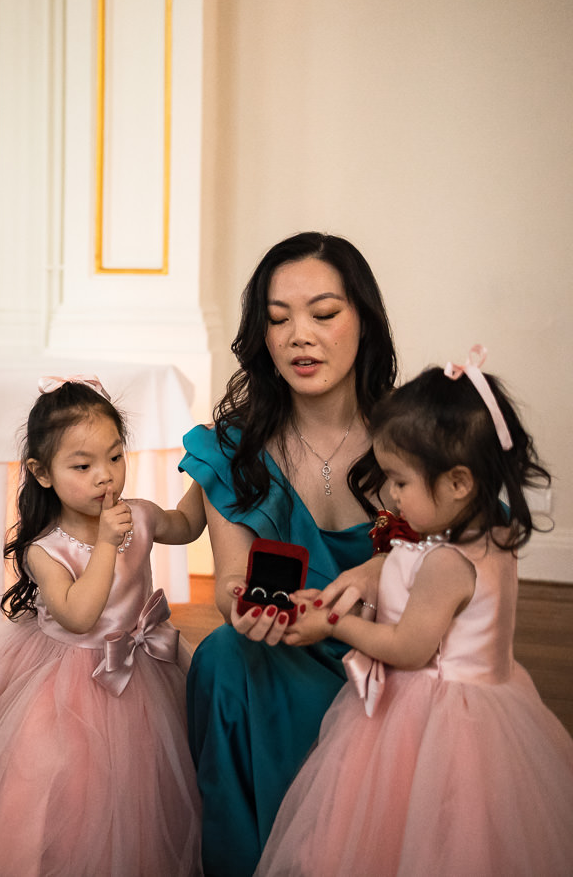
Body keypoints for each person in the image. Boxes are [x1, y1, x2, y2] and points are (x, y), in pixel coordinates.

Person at [258, 349, 573, 875]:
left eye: (400, 481)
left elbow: (409, 647)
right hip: (480, 699)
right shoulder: (483, 538)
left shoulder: (448, 564)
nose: (391, 495)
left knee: (430, 833)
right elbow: (403, 586)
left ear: (457, 484)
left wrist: (335, 623)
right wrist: (343, 596)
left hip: (435, 718)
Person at [0, 378, 206, 877]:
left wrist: (206, 473)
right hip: (68, 680)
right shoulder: (46, 549)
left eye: (116, 457)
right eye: (83, 466)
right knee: (65, 788)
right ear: (42, 473)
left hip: (142, 671)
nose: (106, 477)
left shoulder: (138, 516)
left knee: (141, 788)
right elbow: (79, 614)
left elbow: (185, 525)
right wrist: (105, 544)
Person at [164, 232, 397, 876]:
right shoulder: (235, 446)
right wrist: (242, 606)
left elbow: (462, 553)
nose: (300, 335)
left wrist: (381, 575)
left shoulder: (411, 434)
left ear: (363, 320)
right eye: (278, 318)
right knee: (221, 657)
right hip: (281, 645)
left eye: (323, 314)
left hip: (386, 652)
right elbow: (233, 576)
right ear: (261, 336)